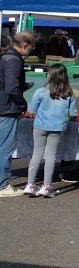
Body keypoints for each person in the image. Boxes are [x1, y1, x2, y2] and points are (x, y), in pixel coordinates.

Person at [23, 63, 76, 198]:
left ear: (50, 76)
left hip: (40, 125)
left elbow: (31, 110)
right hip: (58, 127)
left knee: (37, 152)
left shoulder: (41, 91)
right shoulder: (69, 94)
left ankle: (30, 184)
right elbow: (72, 113)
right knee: (51, 154)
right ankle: (46, 186)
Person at [0, 31, 35, 197]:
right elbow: (11, 88)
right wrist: (23, 104)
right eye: (32, 46)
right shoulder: (13, 60)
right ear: (24, 45)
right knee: (5, 147)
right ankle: (3, 185)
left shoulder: (5, 56)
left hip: (3, 105)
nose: (32, 49)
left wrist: (22, 85)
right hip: (7, 108)